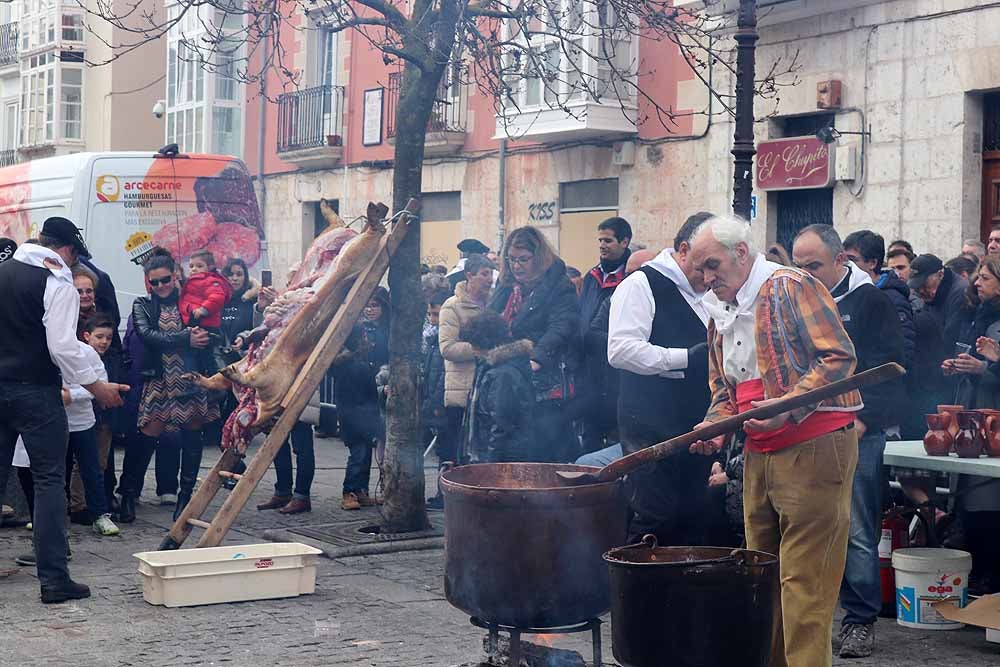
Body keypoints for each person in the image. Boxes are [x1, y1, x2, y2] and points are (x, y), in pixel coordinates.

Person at [689, 215, 860, 667]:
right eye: (699, 270)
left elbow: (838, 356)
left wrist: (786, 406)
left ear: (741, 253)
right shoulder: (719, 311)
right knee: (761, 577)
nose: (706, 279)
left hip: (814, 443)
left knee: (804, 585)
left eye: (712, 265)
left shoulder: (791, 286)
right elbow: (724, 390)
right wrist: (714, 426)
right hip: (759, 450)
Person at [792, 225, 905, 659]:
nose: (805, 273)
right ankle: (815, 615)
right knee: (812, 524)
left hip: (858, 430)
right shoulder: (798, 297)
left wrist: (864, 421)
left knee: (857, 527)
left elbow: (892, 367)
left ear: (842, 261)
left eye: (813, 265)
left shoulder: (870, 301)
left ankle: (860, 620)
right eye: (798, 266)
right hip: (807, 430)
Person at [0, 217, 126, 603]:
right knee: (49, 481)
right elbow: (62, 347)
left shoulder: (2, 271)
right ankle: (54, 580)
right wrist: (97, 386)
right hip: (37, 392)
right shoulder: (55, 281)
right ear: (66, 250)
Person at [607, 211, 718, 546]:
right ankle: (635, 595)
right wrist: (685, 358)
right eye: (703, 267)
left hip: (698, 430)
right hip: (650, 430)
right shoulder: (640, 285)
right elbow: (621, 350)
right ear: (683, 250)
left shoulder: (710, 294)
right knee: (655, 517)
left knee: (697, 517)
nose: (709, 276)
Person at [117, 252, 219, 522]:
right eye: (155, 282)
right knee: (145, 437)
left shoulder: (191, 301)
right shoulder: (143, 304)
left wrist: (203, 335)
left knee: (192, 439)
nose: (161, 286)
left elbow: (213, 329)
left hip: (191, 378)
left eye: (165, 280)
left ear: (176, 276)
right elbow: (149, 336)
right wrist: (187, 337)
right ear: (148, 282)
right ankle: (128, 493)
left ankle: (185, 497)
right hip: (160, 379)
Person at [489, 227, 579, 462]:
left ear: (538, 258)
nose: (516, 266)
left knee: (539, 452)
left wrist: (537, 358)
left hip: (542, 381)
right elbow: (490, 319)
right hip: (503, 377)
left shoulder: (559, 286)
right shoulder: (506, 287)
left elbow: (562, 327)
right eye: (511, 260)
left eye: (523, 260)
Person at [945, 256, 1000, 594]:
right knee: (972, 502)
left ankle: (991, 578)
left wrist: (988, 368)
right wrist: (961, 367)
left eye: (985, 277)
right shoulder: (976, 316)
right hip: (973, 419)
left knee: (990, 503)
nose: (977, 283)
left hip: (994, 423)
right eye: (977, 277)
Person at [62, 320, 122, 537]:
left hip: (83, 421)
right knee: (55, 471)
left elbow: (101, 385)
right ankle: (52, 516)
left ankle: (99, 514)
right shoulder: (44, 352)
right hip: (54, 422)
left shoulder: (86, 353)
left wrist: (72, 396)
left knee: (92, 468)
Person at [577, 216, 632, 454]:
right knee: (590, 429)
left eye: (608, 240)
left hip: (617, 367)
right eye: (600, 240)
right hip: (590, 365)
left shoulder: (632, 276)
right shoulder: (591, 276)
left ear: (624, 242)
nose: (602, 245)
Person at [334, 287, 389, 510]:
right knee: (358, 454)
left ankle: (361, 490)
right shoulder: (349, 364)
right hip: (353, 414)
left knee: (365, 453)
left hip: (366, 413)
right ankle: (349, 490)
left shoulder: (362, 361)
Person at [439, 254, 495, 469]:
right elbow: (447, 347)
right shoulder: (452, 306)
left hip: (487, 391)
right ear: (469, 275)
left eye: (491, 274)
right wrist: (482, 350)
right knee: (454, 450)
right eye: (484, 274)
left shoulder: (495, 303)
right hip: (461, 392)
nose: (489, 279)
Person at [462, 311, 535, 462]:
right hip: (497, 452)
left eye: (474, 345)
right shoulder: (491, 367)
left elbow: (501, 424)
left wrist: (491, 462)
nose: (473, 350)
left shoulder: (502, 374)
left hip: (502, 457)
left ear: (485, 342)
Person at [843, 230, 915, 368]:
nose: (846, 265)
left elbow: (904, 350)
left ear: (872, 263)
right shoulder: (848, 292)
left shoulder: (892, 298)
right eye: (843, 259)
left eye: (852, 260)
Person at [178, 249, 231, 379]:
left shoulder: (211, 280)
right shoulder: (192, 280)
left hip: (206, 324)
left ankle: (213, 378)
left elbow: (218, 297)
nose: (194, 269)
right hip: (195, 322)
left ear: (210, 267)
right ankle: (194, 375)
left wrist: (204, 310)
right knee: (193, 353)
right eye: (191, 266)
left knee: (207, 354)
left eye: (199, 266)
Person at [909, 253, 969, 358]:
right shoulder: (931, 293)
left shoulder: (960, 292)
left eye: (925, 285)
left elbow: (951, 338)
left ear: (940, 275)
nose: (921, 291)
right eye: (918, 287)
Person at [421, 289, 449, 508]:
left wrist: (436, 402)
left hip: (441, 403)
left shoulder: (441, 341)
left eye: (437, 314)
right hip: (433, 398)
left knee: (445, 451)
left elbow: (442, 375)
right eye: (430, 314)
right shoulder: (432, 340)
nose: (433, 319)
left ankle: (444, 493)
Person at [220, 258, 259, 346]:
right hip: (217, 356)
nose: (234, 278)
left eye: (239, 274)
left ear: (245, 277)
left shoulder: (253, 301)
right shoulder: (216, 301)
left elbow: (259, 329)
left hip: (245, 355)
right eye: (230, 274)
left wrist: (244, 338)